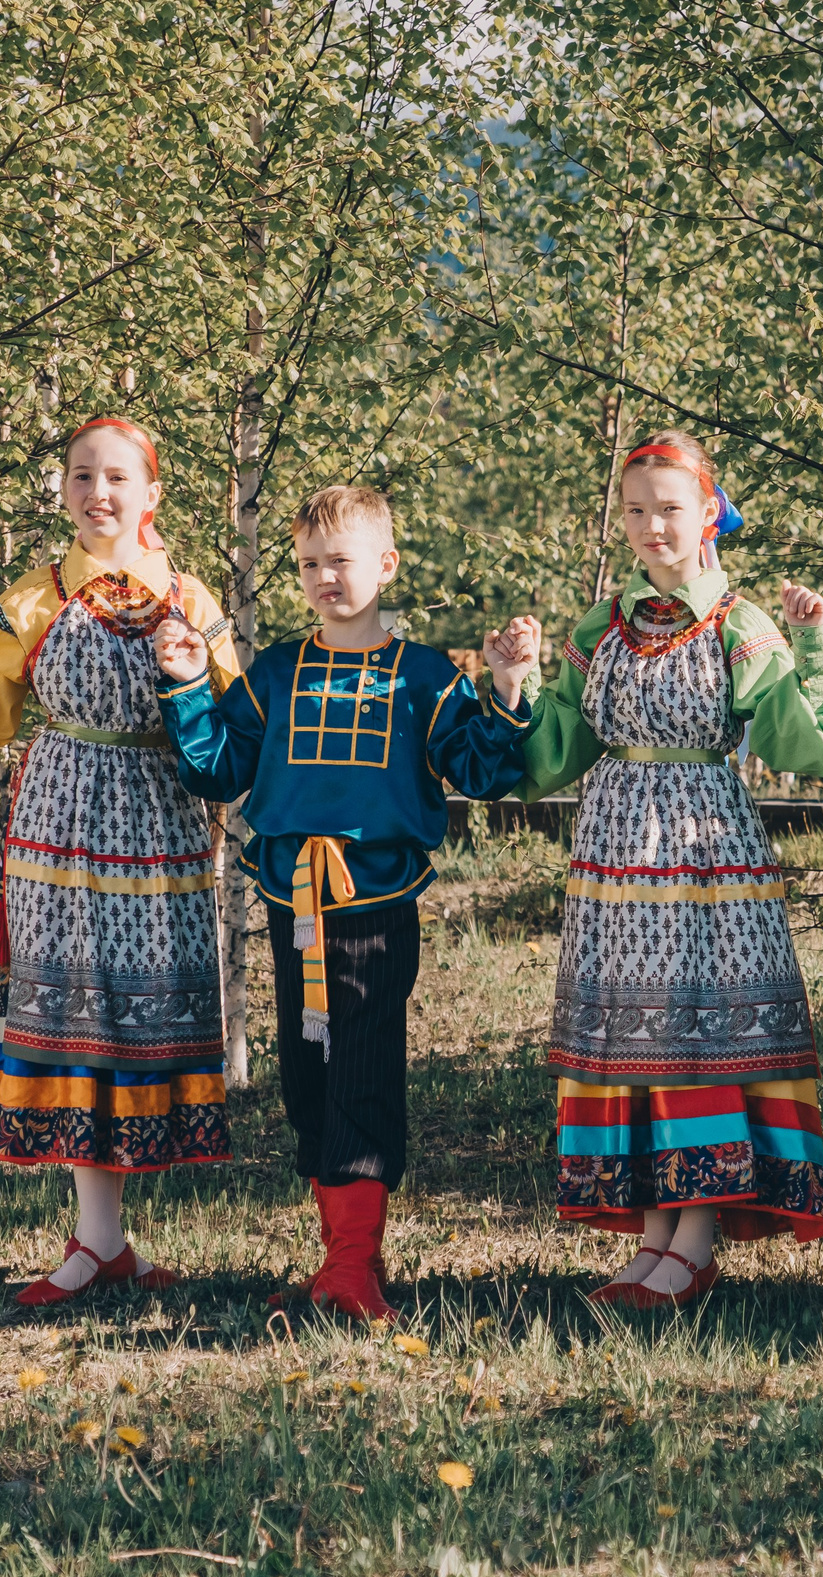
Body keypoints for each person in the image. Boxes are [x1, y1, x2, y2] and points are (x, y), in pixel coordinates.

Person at [152, 486, 539, 1319]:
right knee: (307, 1078)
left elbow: (481, 771)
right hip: (293, 906)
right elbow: (219, 768)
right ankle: (337, 1257)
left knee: (362, 1073)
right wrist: (186, 685)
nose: (324, 577)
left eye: (341, 560)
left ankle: (358, 1266)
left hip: (373, 907)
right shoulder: (279, 672)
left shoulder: (425, 675)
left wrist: (506, 689)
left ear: (385, 565)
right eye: (308, 564)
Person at [512, 430, 823, 1306]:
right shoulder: (604, 623)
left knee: (696, 1029)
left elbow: (798, 746)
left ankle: (695, 1238)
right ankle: (656, 1233)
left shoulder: (740, 621)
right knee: (635, 1030)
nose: (650, 525)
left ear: (709, 512)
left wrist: (811, 652)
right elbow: (554, 750)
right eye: (634, 510)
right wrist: (512, 686)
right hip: (616, 848)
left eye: (668, 508)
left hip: (705, 847)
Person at [0, 416, 240, 1305]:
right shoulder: (36, 595)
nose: (100, 492)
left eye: (119, 478)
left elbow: (235, 728)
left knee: (131, 1019)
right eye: (82, 476)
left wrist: (191, 681)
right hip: (57, 826)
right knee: (74, 1011)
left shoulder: (193, 599)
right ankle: (98, 1241)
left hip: (161, 826)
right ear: (63, 490)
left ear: (151, 495)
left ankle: (105, 1242)